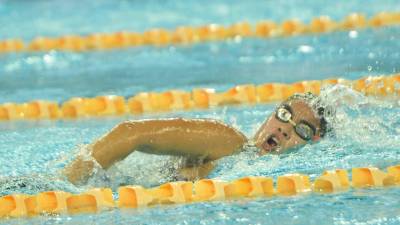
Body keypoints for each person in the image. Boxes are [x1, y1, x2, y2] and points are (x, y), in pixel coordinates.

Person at [64, 92, 331, 185]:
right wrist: (63, 185)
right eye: (284, 114)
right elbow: (130, 133)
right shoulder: (229, 142)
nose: (285, 128)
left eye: (302, 130)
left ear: (314, 143)